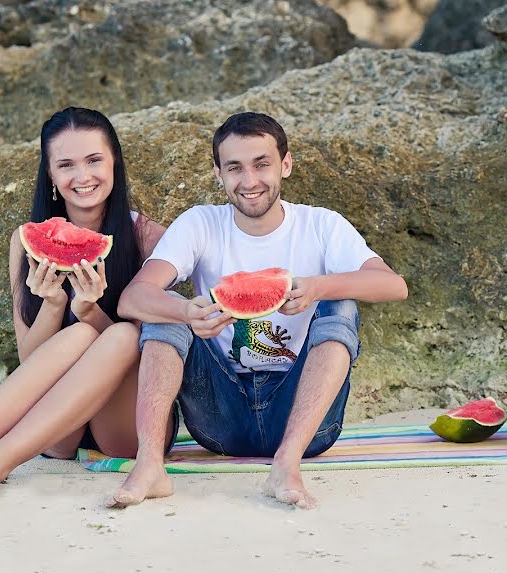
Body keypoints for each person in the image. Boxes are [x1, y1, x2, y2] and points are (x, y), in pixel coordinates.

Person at [106, 112, 408, 510]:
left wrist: (318, 286)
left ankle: (287, 463)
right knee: (167, 312)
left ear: (285, 164)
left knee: (341, 303)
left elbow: (393, 285)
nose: (249, 181)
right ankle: (149, 466)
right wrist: (188, 314)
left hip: (305, 418)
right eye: (234, 167)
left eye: (261, 164)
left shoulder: (322, 226)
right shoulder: (200, 223)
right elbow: (133, 298)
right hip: (219, 417)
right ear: (218, 172)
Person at [0, 107, 174, 509]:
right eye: (66, 164)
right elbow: (30, 361)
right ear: (51, 175)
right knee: (78, 333)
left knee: (123, 333)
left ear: (115, 163)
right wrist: (54, 304)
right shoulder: (25, 242)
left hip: (126, 427)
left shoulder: (149, 238)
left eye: (94, 160)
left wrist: (92, 310)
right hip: (56, 433)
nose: (83, 176)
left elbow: (155, 348)